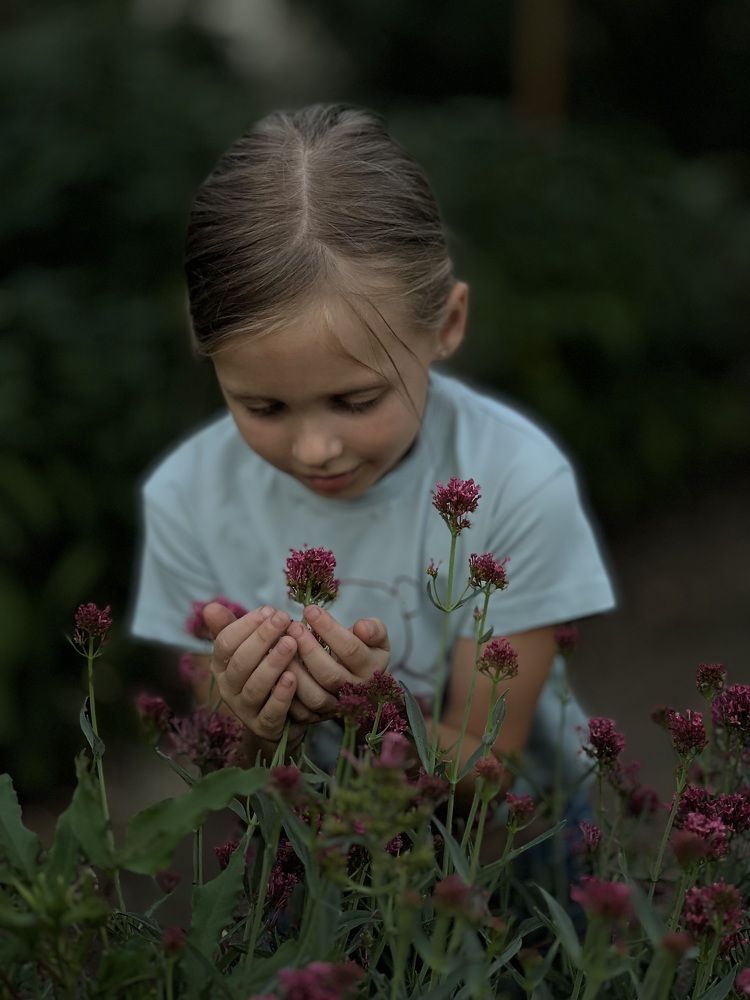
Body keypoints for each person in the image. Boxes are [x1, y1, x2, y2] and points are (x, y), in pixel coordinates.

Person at [127, 103, 615, 809]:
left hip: (510, 848)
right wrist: (250, 720)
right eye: (264, 407)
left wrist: (384, 714)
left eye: (355, 401)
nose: (315, 449)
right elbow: (229, 774)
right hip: (302, 850)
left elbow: (491, 767)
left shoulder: (517, 480)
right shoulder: (186, 497)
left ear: (447, 325)